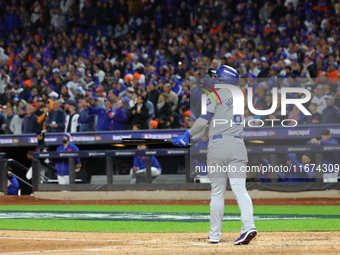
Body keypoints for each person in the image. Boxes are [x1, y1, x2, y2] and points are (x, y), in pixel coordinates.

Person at [172, 65, 257, 245]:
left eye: (218, 77)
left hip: (219, 145)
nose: (215, 79)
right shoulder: (240, 95)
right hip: (237, 144)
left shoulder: (215, 95)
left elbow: (203, 121)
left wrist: (188, 135)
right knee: (239, 189)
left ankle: (214, 235)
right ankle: (248, 226)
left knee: (218, 192)